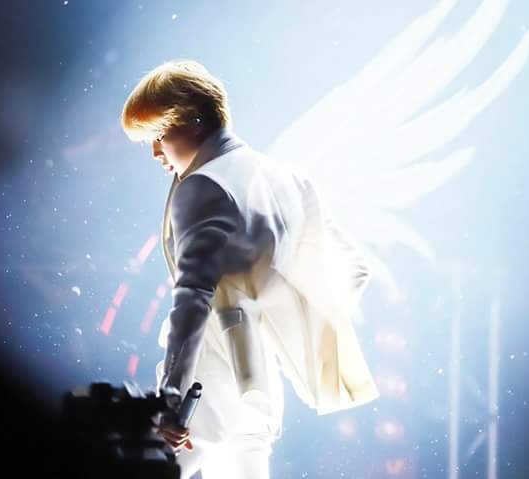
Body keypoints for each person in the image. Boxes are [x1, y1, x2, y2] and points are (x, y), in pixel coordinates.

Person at [121, 59, 380, 479]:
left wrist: (170, 397)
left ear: (194, 120)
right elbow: (356, 269)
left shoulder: (203, 185)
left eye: (159, 135)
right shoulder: (290, 180)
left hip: (204, 391)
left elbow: (193, 300)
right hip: (258, 389)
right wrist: (285, 318)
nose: (154, 151)